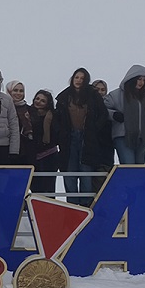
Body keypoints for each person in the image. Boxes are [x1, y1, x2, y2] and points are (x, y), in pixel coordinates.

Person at [53, 68, 110, 205]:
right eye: (76, 77)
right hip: (69, 139)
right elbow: (58, 118)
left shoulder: (93, 96)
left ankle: (86, 207)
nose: (79, 80)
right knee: (70, 174)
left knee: (86, 174)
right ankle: (72, 207)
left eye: (82, 78)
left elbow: (103, 115)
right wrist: (60, 133)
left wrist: (94, 129)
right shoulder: (64, 97)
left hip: (87, 139)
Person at [106, 65, 145, 165]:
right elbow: (103, 109)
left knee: (140, 167)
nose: (141, 82)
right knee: (128, 165)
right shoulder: (115, 95)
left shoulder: (144, 97)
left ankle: (137, 181)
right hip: (123, 136)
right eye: (139, 79)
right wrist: (114, 115)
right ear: (132, 79)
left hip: (142, 137)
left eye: (144, 80)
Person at [24, 90, 61, 194]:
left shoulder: (53, 115)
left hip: (49, 156)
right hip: (32, 156)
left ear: (47, 103)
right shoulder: (27, 114)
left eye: (43, 101)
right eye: (37, 99)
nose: (39, 102)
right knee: (35, 187)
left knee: (49, 188)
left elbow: (57, 134)